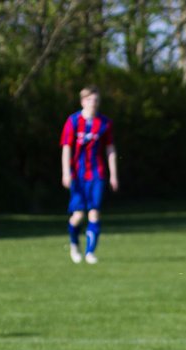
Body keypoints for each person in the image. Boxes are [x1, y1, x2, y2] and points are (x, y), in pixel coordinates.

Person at [60, 85, 118, 264]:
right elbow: (66, 148)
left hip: (97, 173)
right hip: (77, 174)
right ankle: (74, 244)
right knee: (78, 216)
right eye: (90, 100)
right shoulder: (73, 121)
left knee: (94, 213)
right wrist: (66, 172)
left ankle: (90, 252)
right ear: (83, 101)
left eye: (96, 100)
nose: (94, 103)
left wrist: (114, 174)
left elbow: (110, 149)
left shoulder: (105, 123)